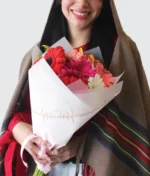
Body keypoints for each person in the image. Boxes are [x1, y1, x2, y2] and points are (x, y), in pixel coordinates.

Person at [0, 0, 150, 176]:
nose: (82, 3)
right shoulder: (39, 52)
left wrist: (81, 145)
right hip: (44, 169)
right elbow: (19, 112)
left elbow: (131, 124)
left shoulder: (121, 51)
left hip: (98, 169)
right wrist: (20, 130)